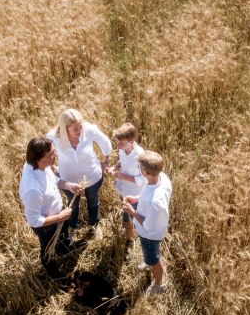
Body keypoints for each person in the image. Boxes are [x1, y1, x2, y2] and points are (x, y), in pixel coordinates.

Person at [18, 137, 79, 280]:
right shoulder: (32, 188)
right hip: (47, 226)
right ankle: (55, 275)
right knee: (48, 251)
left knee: (63, 235)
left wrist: (68, 185)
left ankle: (63, 249)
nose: (56, 155)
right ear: (40, 159)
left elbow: (53, 181)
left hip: (58, 213)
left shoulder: (40, 166)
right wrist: (60, 217)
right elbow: (34, 221)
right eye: (52, 154)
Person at [47, 109, 112, 240]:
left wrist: (106, 161)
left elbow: (105, 142)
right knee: (73, 204)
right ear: (65, 128)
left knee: (93, 201)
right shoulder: (53, 137)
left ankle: (94, 225)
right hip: (68, 179)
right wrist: (53, 167)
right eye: (75, 128)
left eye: (81, 126)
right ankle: (73, 228)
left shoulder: (89, 130)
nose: (79, 130)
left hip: (92, 176)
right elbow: (46, 153)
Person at [122, 150, 173, 296]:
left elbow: (148, 225)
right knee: (149, 255)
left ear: (146, 173)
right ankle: (148, 261)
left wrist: (132, 212)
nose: (139, 169)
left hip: (150, 235)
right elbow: (148, 192)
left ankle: (158, 284)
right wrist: (137, 198)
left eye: (140, 168)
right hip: (149, 229)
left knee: (154, 259)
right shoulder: (161, 177)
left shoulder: (155, 202)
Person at [105, 123, 146, 245]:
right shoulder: (123, 149)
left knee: (129, 217)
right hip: (122, 188)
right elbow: (122, 160)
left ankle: (131, 240)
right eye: (117, 142)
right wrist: (115, 166)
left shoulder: (140, 156)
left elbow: (143, 179)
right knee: (128, 215)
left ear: (132, 141)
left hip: (134, 194)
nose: (118, 145)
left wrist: (124, 177)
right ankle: (132, 234)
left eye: (120, 143)